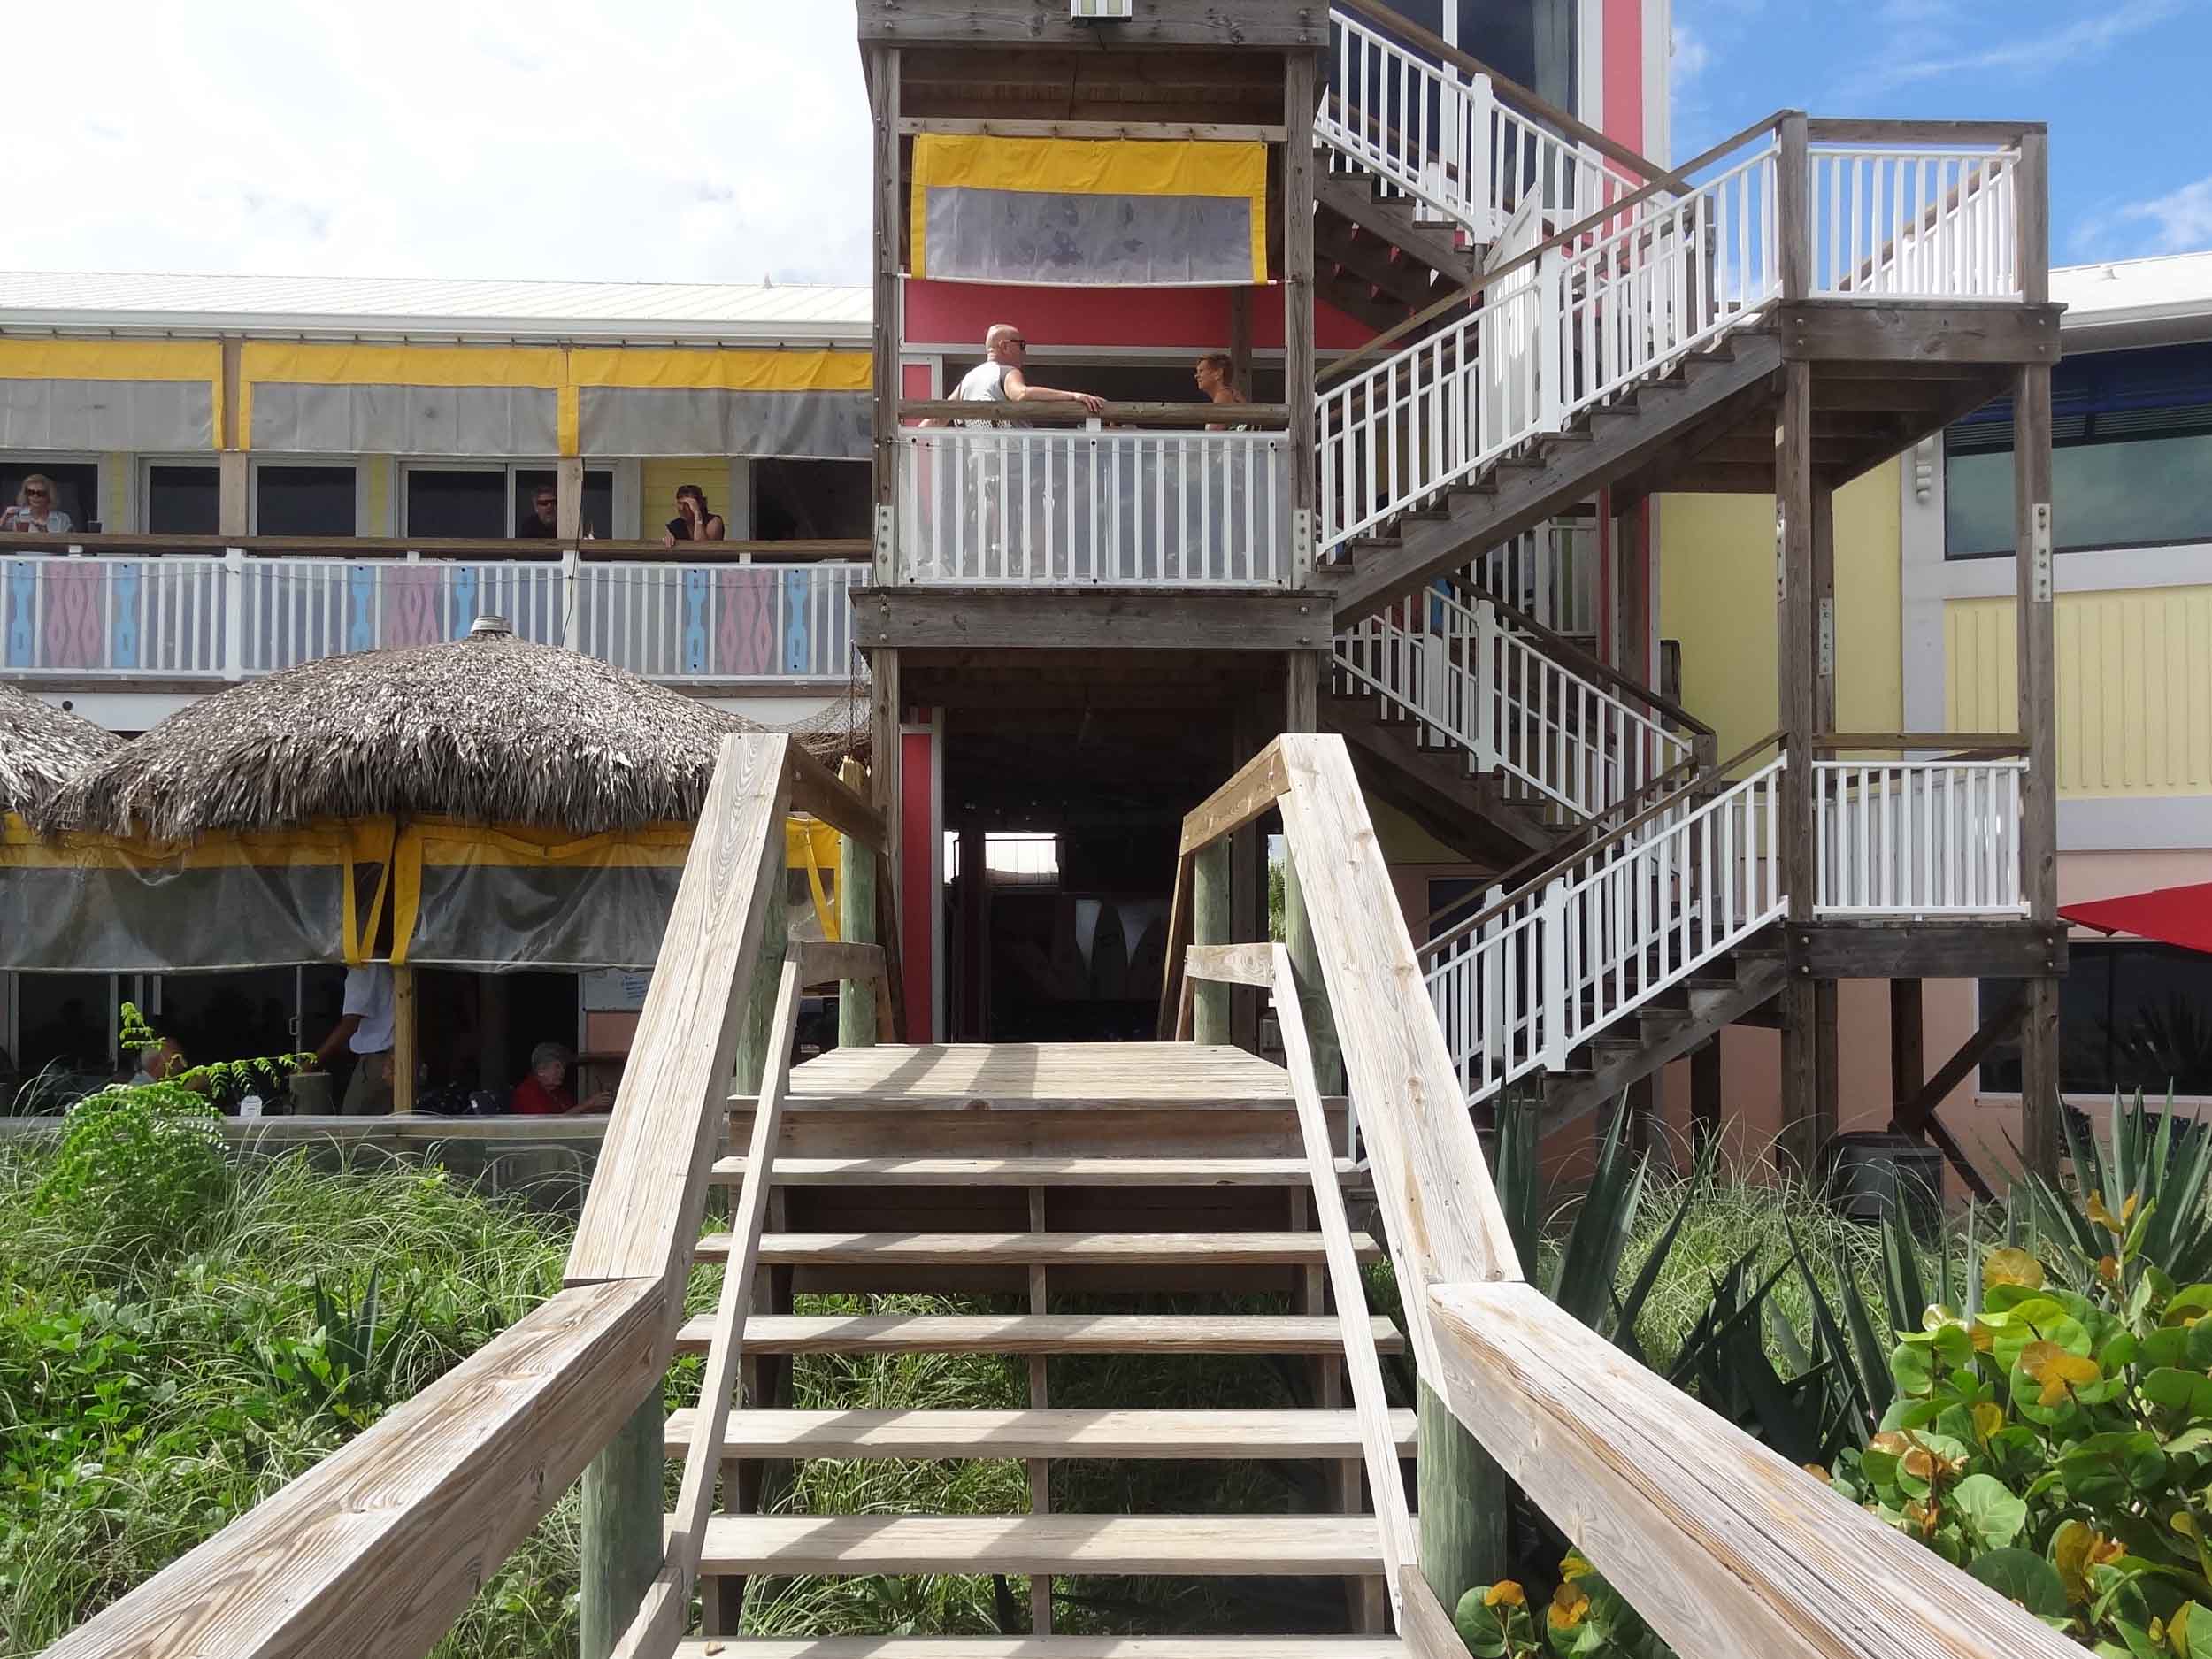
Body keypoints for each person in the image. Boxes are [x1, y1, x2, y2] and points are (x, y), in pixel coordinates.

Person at [918, 325, 1107, 428]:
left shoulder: (967, 381)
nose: (1024, 352)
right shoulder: (1006, 372)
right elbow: (1021, 394)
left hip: (981, 475)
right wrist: (1073, 396)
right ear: (1005, 346)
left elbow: (937, 420)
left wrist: (908, 435)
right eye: (1021, 345)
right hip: (1015, 474)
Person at [312, 962, 396, 1115]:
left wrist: (309, 1064)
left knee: (353, 1128)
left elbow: (349, 1026)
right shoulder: (381, 962)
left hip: (379, 1063)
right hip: (389, 1057)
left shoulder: (364, 967)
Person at [509, 1041, 613, 1116]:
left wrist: (594, 1107)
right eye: (557, 1066)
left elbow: (571, 1115)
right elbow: (549, 1126)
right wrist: (587, 1104)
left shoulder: (558, 1091)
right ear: (541, 1070)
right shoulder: (527, 1093)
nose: (562, 1071)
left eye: (563, 1067)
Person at [1194, 351, 1249, 430]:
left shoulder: (1223, 395)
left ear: (1218, 373)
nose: (1196, 376)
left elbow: (1215, 434)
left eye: (1201, 371)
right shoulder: (1231, 394)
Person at [1, 474, 72, 534]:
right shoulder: (17, 515)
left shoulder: (62, 518)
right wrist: (5, 516)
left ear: (49, 496)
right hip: (22, 550)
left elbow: (70, 542)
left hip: (51, 550)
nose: (35, 496)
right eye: (31, 492)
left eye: (40, 493)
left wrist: (45, 534)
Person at [661, 484, 726, 547]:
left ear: (699, 504)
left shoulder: (714, 521)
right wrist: (668, 540)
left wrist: (697, 513)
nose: (682, 508)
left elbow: (702, 547)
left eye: (687, 504)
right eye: (680, 503)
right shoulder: (674, 525)